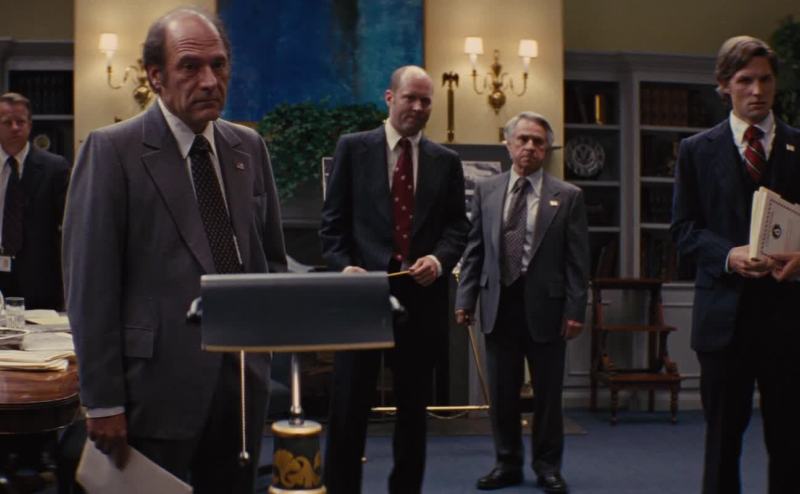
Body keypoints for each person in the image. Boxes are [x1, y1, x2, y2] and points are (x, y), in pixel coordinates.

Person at [62, 7, 287, 492]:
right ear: (156, 76)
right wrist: (102, 401)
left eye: (219, 65)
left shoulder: (249, 148)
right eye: (190, 66)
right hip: (151, 393)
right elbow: (90, 288)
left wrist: (262, 355)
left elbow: (269, 263)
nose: (209, 80)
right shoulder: (112, 151)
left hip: (240, 389)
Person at [320, 65, 469, 493]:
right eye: (410, 98)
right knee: (348, 409)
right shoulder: (353, 148)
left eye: (426, 101)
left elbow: (457, 228)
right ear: (389, 98)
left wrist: (438, 260)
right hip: (361, 298)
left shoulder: (446, 161)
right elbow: (332, 226)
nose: (418, 107)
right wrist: (344, 267)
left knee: (413, 413)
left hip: (420, 302)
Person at [671, 35, 800, 494]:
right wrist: (729, 255)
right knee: (722, 441)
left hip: (789, 320)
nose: (757, 91)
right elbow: (683, 230)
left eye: (765, 80)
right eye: (745, 80)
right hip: (723, 321)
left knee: (790, 442)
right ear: (724, 85)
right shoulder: (696, 150)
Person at [454, 112, 588, 493]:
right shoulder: (487, 190)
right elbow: (475, 249)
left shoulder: (568, 196)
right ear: (508, 144)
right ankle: (506, 463)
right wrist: (465, 298)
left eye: (538, 142)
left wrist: (575, 311)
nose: (530, 147)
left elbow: (578, 262)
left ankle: (548, 467)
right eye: (523, 140)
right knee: (502, 394)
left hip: (548, 308)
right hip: (499, 305)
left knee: (547, 396)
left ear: (547, 149)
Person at [0, 92, 69, 310]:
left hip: (39, 279)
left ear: (30, 125)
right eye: (7, 122)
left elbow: (69, 224)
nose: (15, 128)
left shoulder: (54, 168)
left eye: (20, 122)